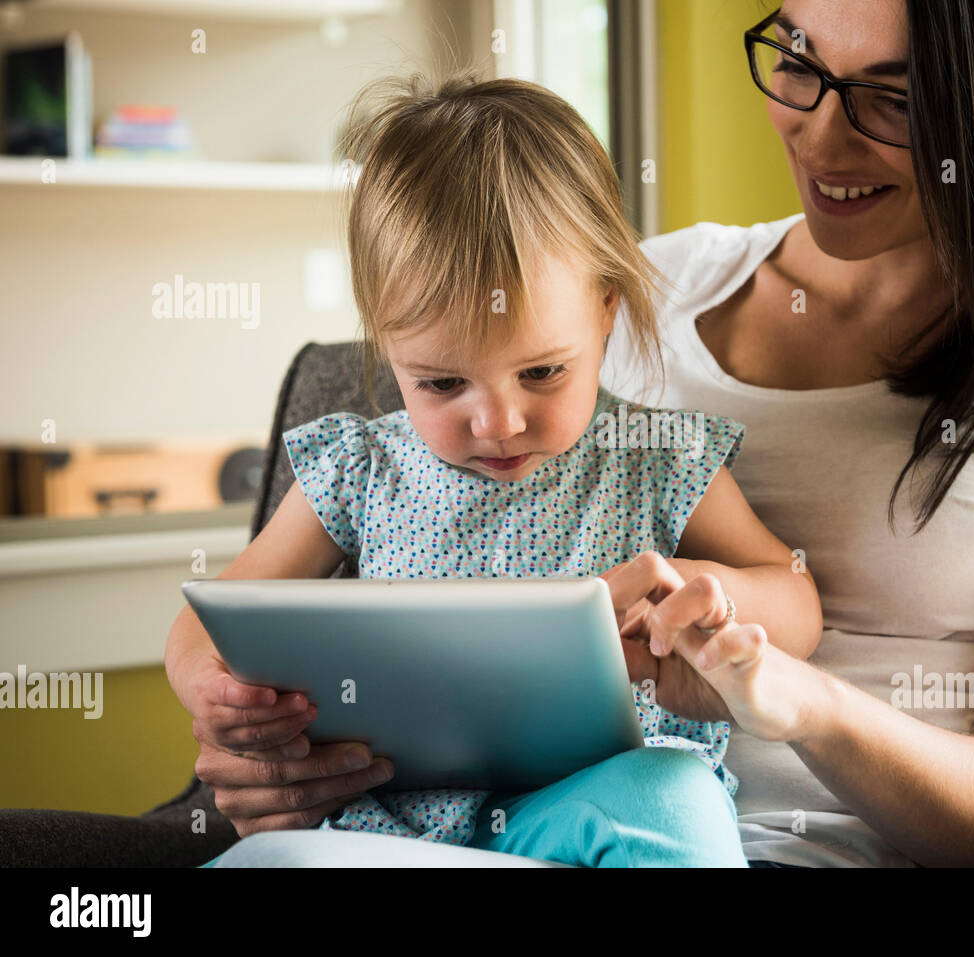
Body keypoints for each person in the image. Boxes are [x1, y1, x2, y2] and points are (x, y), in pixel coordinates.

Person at [182, 0, 974, 868]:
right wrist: (255, 749)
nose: (816, 134)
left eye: (891, 99)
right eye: (799, 62)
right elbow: (234, 630)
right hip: (431, 824)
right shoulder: (636, 287)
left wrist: (790, 696)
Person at [164, 71, 822, 868]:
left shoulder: (658, 457)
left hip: (586, 812)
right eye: (442, 383)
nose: (499, 422)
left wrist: (712, 600)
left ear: (606, 308)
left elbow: (795, 595)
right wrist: (212, 686)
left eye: (543, 372)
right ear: (387, 347)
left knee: (674, 801)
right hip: (383, 828)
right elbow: (211, 614)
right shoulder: (360, 466)